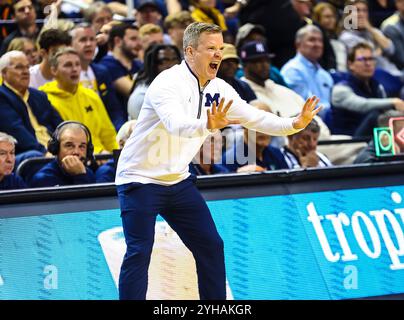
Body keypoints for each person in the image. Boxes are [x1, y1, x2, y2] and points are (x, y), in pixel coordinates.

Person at [115, 22, 321, 300]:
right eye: (210, 48)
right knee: (139, 251)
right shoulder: (167, 82)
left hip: (177, 181)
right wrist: (206, 124)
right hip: (140, 179)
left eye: (220, 49)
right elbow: (176, 124)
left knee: (211, 246)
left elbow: (255, 117)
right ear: (190, 51)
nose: (217, 55)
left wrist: (294, 123)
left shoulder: (220, 88)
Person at [40, 47, 118, 154]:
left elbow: (108, 134)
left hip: (102, 155)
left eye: (77, 64)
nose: (74, 69)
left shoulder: (91, 95)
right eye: (68, 65)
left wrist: (116, 156)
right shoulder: (44, 98)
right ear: (54, 70)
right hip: (72, 156)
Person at [0, 51, 62, 166]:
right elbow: (16, 130)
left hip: (52, 149)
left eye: (27, 67)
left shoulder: (39, 95)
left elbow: (60, 125)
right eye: (18, 67)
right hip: (25, 153)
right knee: (33, 156)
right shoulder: (2, 96)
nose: (25, 71)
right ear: (4, 73)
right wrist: (45, 153)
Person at [331, 42, 404, 136]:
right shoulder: (340, 90)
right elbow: (362, 105)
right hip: (349, 141)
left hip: (371, 138)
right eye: (362, 59)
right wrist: (393, 102)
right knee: (376, 116)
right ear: (350, 64)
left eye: (371, 59)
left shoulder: (377, 86)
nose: (368, 63)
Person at [30, 121, 96, 187]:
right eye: (69, 145)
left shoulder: (88, 174)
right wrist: (80, 176)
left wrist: (81, 175)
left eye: (82, 146)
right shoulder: (43, 179)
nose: (76, 152)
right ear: (56, 148)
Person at [127, 43, 181, 119]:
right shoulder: (141, 95)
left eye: (174, 60)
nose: (171, 65)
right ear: (153, 66)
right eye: (164, 61)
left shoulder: (180, 88)